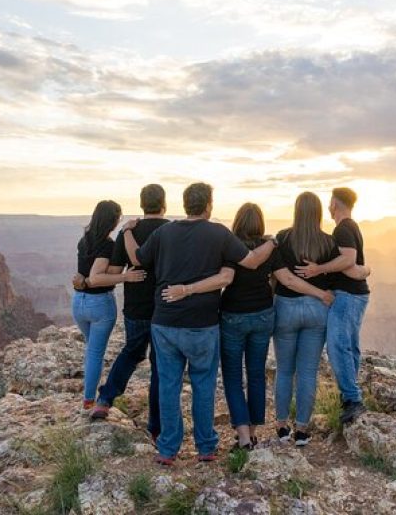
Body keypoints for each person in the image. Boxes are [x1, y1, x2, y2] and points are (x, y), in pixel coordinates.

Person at [123, 182, 274, 465]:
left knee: (168, 385)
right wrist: (274, 241)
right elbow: (250, 263)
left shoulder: (163, 232)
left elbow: (136, 258)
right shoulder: (218, 233)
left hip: (165, 323)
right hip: (202, 324)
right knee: (203, 385)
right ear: (208, 205)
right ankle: (206, 447)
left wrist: (127, 231)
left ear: (184, 204)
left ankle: (168, 449)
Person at [73, 184, 169, 441]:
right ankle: (155, 428)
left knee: (132, 352)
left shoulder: (130, 232)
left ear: (142, 204)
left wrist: (125, 275)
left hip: (136, 308)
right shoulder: (172, 230)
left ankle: (104, 399)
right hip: (166, 308)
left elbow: (113, 273)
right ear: (164, 204)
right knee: (160, 366)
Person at [270, 192, 341, 447]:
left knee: (285, 369)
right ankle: (301, 430)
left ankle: (281, 427)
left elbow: (280, 278)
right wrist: (322, 292)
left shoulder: (283, 238)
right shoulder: (329, 243)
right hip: (317, 311)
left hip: (286, 309)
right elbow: (335, 280)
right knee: (308, 372)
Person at [295, 187, 371, 424]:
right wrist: (363, 270)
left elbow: (349, 259)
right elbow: (355, 263)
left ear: (334, 204)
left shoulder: (343, 228)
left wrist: (319, 268)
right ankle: (349, 396)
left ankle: (353, 399)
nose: (328, 207)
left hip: (348, 296)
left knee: (337, 346)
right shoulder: (352, 226)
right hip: (356, 294)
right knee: (349, 346)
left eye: (330, 203)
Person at [73, 200, 145, 411]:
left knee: (91, 350)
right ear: (113, 220)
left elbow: (85, 275)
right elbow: (95, 278)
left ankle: (89, 394)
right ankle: (89, 401)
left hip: (78, 303)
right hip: (99, 304)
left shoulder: (84, 240)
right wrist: (126, 277)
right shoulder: (107, 245)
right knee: (95, 353)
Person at [218, 203, 275, 451]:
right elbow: (276, 278)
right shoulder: (269, 247)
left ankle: (242, 436)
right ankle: (252, 432)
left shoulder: (230, 245)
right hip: (263, 313)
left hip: (233, 314)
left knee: (232, 375)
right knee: (256, 373)